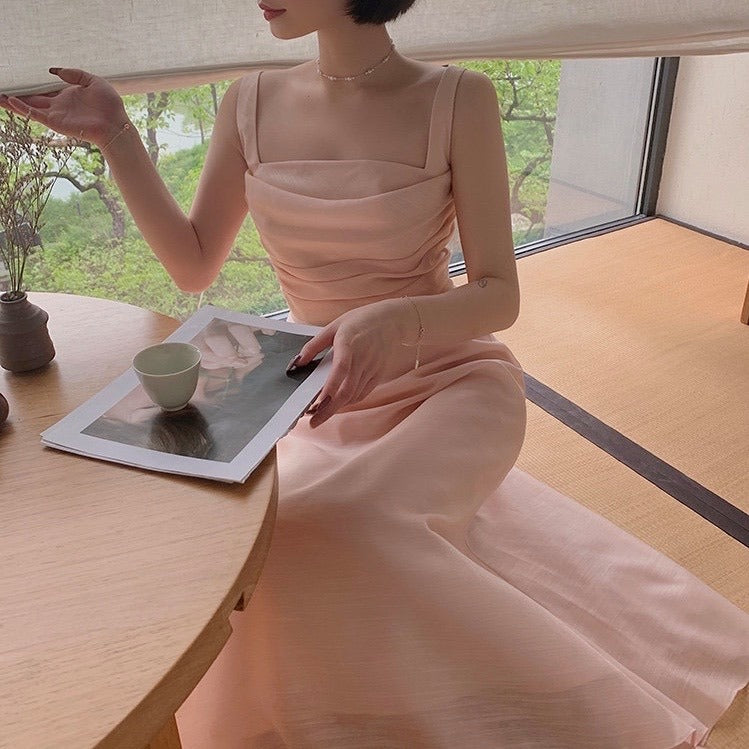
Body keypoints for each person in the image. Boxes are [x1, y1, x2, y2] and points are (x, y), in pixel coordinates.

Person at [3, 1, 747, 746]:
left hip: (450, 379)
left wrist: (395, 320)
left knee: (329, 528)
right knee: (256, 540)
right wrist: (117, 135)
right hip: (314, 392)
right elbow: (193, 266)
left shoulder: (457, 98)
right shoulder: (248, 102)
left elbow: (500, 297)